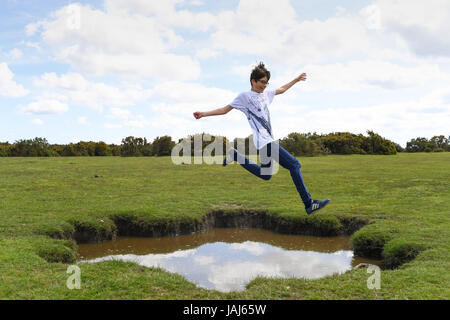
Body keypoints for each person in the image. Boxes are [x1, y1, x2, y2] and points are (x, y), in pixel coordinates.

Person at [193, 62, 330, 215]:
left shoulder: (266, 95)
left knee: (266, 175)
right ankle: (309, 203)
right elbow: (224, 110)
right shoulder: (244, 97)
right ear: (253, 81)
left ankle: (236, 155)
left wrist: (296, 80)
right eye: (262, 82)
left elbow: (282, 89)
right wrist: (204, 113)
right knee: (294, 165)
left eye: (267, 82)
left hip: (266, 141)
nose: (265, 85)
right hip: (265, 142)